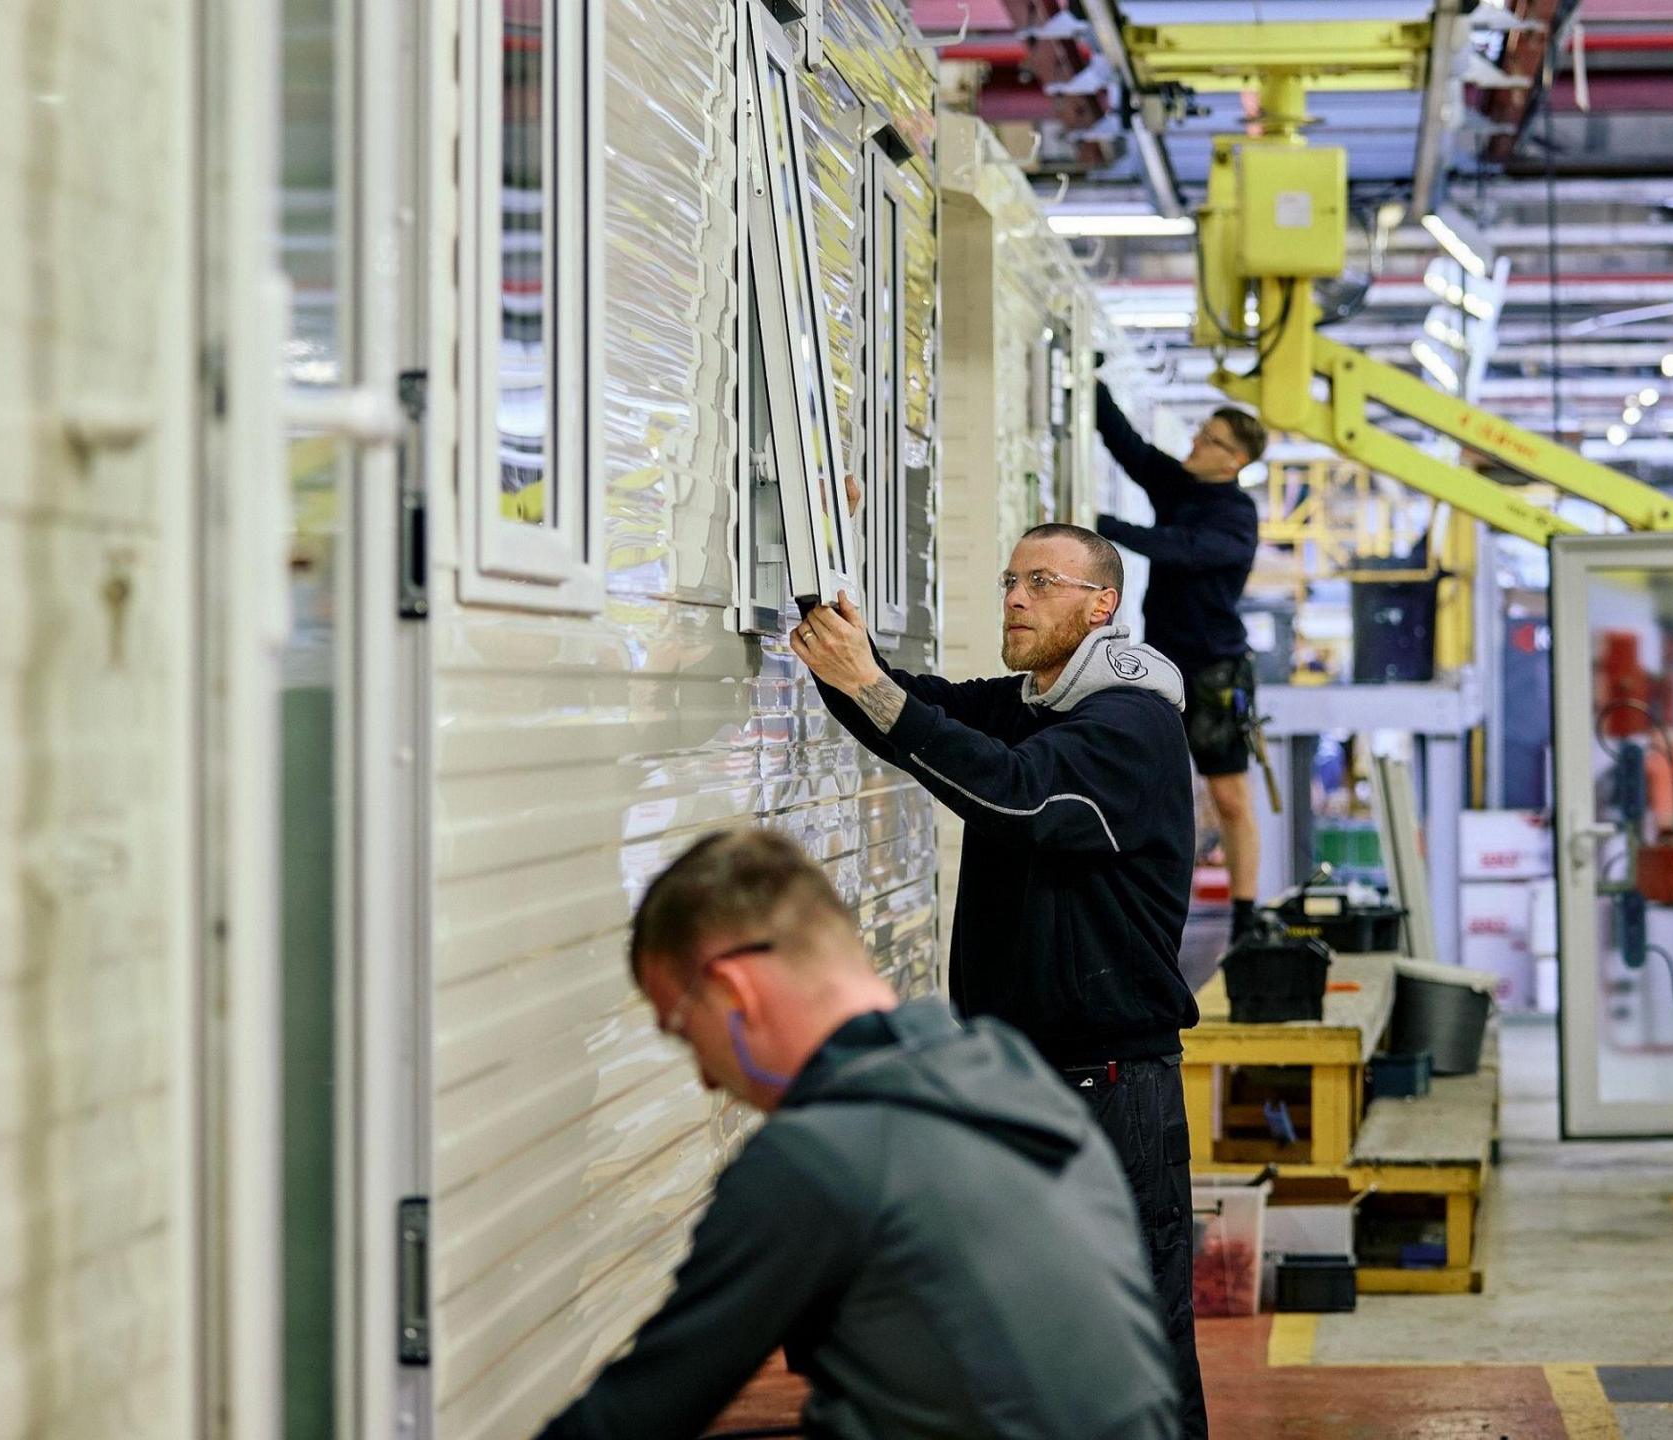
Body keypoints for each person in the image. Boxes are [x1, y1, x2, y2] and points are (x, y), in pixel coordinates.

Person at [537, 828, 1181, 1440]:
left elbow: (636, 1416)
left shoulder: (817, 1158)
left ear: (734, 993)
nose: (705, 1078)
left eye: (684, 1029)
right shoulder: (1008, 1073)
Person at [787, 523, 1210, 1438]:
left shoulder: (1128, 725)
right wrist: (827, 619)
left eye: (1042, 583)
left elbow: (1023, 796)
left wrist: (876, 689)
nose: (1014, 598)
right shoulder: (1036, 702)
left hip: (1104, 1087)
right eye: (1010, 580)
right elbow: (909, 713)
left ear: (1102, 605)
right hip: (1023, 1075)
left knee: (1128, 1333)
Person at [1091, 382, 1269, 941]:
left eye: (1210, 438)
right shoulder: (1180, 483)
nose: (1196, 440)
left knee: (1229, 797)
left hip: (1216, 671)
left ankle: (1243, 916)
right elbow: (1130, 447)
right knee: (1150, 787)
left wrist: (1105, 528)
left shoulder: (1237, 517)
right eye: (1201, 431)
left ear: (1235, 459)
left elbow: (1182, 549)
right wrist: (1094, 385)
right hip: (1160, 664)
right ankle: (1143, 906)